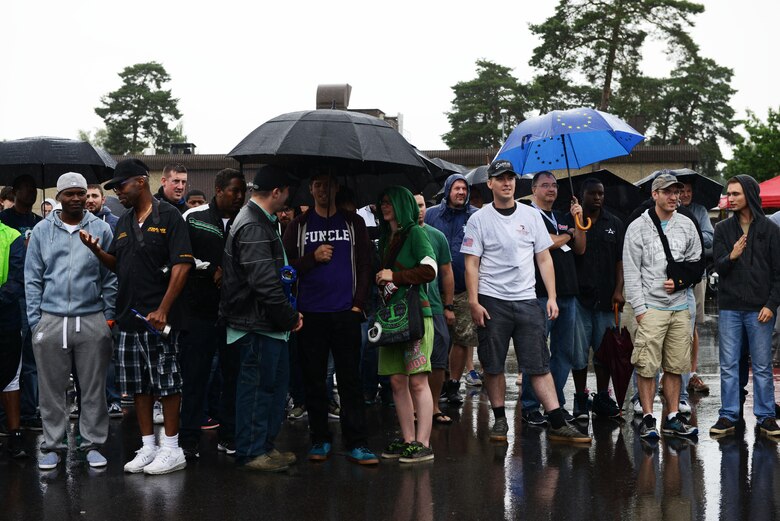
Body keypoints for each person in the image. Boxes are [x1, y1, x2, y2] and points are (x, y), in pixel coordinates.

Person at [461, 160, 590, 443]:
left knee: (538, 364)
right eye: (500, 178)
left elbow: (544, 258)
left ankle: (557, 420)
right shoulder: (479, 219)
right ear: (491, 184)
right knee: (493, 365)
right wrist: (473, 301)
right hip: (492, 300)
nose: (507, 182)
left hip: (527, 300)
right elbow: (472, 264)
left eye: (510, 178)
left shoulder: (530, 217)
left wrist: (552, 297)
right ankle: (499, 420)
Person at [80, 158, 194, 475]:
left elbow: (182, 266)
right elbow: (118, 264)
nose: (119, 192)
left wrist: (163, 309)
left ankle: (172, 449)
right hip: (129, 318)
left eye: (122, 185)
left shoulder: (170, 217)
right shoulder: (124, 221)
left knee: (167, 384)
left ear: (140, 182)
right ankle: (148, 446)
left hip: (159, 320)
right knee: (138, 386)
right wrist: (97, 252)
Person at [282, 172, 377, 464]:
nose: (323, 189)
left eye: (328, 184)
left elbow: (365, 264)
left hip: (345, 313)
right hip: (309, 314)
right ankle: (320, 438)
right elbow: (284, 268)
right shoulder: (297, 226)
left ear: (337, 187)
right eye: (318, 184)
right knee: (314, 380)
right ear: (311, 189)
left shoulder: (353, 223)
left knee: (351, 380)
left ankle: (356, 442)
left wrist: (358, 305)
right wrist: (312, 257)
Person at [25, 173, 117, 470]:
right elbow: (33, 277)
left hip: (91, 318)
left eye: (81, 193)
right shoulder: (42, 230)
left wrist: (109, 318)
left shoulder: (102, 228)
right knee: (51, 390)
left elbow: (111, 275)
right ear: (59, 196)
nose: (76, 198)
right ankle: (52, 444)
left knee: (93, 388)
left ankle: (91, 444)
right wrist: (35, 322)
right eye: (69, 194)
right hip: (51, 320)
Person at [219, 165, 303, 472]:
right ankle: (253, 452)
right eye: (287, 193)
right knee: (256, 391)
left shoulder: (260, 221)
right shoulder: (253, 224)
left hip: (266, 324)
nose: (289, 199)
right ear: (277, 192)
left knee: (269, 389)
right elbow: (264, 283)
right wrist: (290, 317)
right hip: (256, 325)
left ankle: (263, 446)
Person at [623, 173, 700, 440]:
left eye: (676, 192)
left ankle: (671, 417)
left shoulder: (687, 224)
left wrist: (680, 282)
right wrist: (641, 310)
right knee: (646, 365)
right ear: (654, 194)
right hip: (651, 307)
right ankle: (647, 417)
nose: (673, 197)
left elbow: (696, 263)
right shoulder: (637, 227)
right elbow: (631, 272)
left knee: (676, 366)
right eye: (667, 192)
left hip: (679, 307)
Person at [179, 169, 246, 459]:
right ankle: (189, 437)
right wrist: (208, 268)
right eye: (234, 191)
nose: (240, 196)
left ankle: (229, 434)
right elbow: (180, 256)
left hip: (235, 313)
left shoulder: (248, 220)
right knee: (195, 376)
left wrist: (231, 275)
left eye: (242, 191)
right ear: (218, 190)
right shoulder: (193, 217)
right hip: (199, 311)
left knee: (232, 376)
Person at [709, 175, 780, 438]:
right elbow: (718, 266)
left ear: (749, 195)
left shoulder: (770, 230)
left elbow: (778, 273)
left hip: (761, 309)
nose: (731, 198)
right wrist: (732, 256)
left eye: (736, 194)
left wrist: (772, 305)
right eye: (730, 194)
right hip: (730, 308)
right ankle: (728, 415)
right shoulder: (723, 230)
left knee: (762, 365)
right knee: (728, 365)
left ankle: (766, 417)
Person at [375, 186, 437, 463]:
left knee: (418, 381)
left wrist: (395, 276)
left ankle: (423, 443)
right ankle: (408, 439)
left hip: (415, 316)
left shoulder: (416, 233)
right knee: (397, 381)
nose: (384, 206)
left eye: (389, 202)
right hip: (390, 319)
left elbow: (430, 269)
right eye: (382, 202)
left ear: (401, 204)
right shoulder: (386, 237)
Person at [520, 171, 585, 425]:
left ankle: (554, 404)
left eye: (554, 185)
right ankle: (529, 406)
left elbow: (580, 248)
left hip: (568, 293)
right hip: (539, 294)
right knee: (536, 353)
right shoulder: (528, 215)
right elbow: (545, 243)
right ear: (533, 189)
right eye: (545, 185)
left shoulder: (561, 216)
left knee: (564, 353)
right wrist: (567, 235)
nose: (551, 189)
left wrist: (578, 221)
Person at [572, 178, 624, 420]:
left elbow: (620, 261)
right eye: (592, 193)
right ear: (582, 194)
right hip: (579, 299)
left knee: (605, 353)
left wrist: (619, 290)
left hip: (606, 299)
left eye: (601, 193)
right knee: (579, 353)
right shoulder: (571, 219)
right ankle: (581, 398)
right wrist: (576, 219)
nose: (597, 198)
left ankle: (603, 396)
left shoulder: (614, 223)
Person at [424, 173, 479, 404]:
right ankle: (437, 382)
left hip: (465, 287)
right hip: (434, 289)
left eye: (464, 189)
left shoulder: (476, 216)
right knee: (438, 338)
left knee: (461, 338)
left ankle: (454, 383)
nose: (461, 193)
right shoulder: (431, 214)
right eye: (456, 188)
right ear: (448, 191)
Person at [0, 174, 42, 431]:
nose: (31, 193)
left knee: (31, 358)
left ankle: (29, 411)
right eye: (25, 188)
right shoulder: (5, 222)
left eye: (34, 188)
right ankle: (7, 418)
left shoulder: (41, 222)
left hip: (34, 295)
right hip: (13, 301)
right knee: (10, 360)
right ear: (14, 192)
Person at [414, 194, 455, 425]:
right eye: (414, 205)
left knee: (438, 359)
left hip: (436, 307)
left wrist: (448, 306)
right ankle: (413, 408)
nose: (419, 209)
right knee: (411, 361)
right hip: (408, 307)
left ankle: (434, 406)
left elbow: (447, 272)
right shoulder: (399, 235)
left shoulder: (437, 236)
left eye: (422, 205)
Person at [679, 180, 713, 396]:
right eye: (682, 190)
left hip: (696, 276)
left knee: (692, 327)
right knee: (670, 328)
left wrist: (688, 235)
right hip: (670, 279)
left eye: (690, 190)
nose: (686, 194)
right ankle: (670, 377)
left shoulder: (699, 211)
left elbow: (710, 239)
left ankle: (691, 374)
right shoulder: (665, 211)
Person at [0, 221, 26, 457]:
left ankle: (15, 434)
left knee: (11, 376)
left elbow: (17, 280)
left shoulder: (12, 236)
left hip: (5, 317)